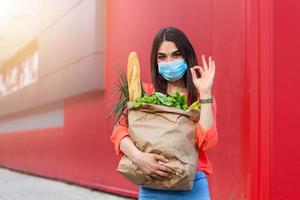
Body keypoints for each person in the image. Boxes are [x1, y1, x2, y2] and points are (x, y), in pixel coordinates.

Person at [111, 27, 218, 200]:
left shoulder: (200, 98)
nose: (170, 62)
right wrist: (139, 158)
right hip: (152, 186)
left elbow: (206, 142)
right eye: (162, 57)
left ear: (187, 56)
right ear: (155, 61)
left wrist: (205, 93)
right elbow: (119, 132)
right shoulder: (145, 94)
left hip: (191, 186)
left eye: (176, 55)